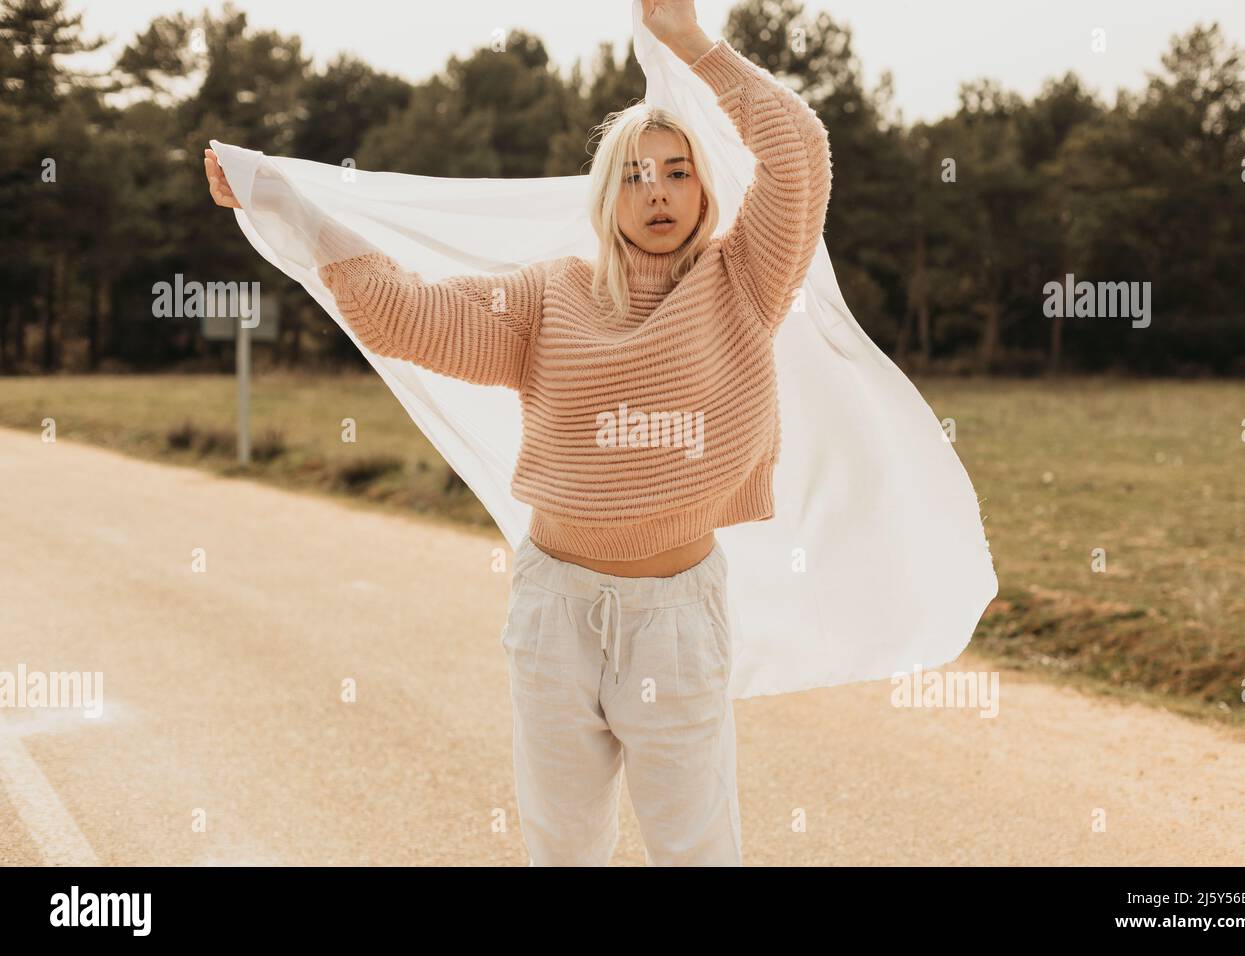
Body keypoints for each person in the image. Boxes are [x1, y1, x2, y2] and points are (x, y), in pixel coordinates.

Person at [204, 0, 831, 866]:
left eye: (678, 170)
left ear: (705, 189)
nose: (657, 190)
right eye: (635, 174)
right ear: (604, 196)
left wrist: (691, 44)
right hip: (556, 614)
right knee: (561, 849)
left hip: (676, 620)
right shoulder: (548, 297)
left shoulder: (746, 280)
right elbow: (407, 316)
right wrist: (289, 206)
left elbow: (799, 152)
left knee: (696, 851)